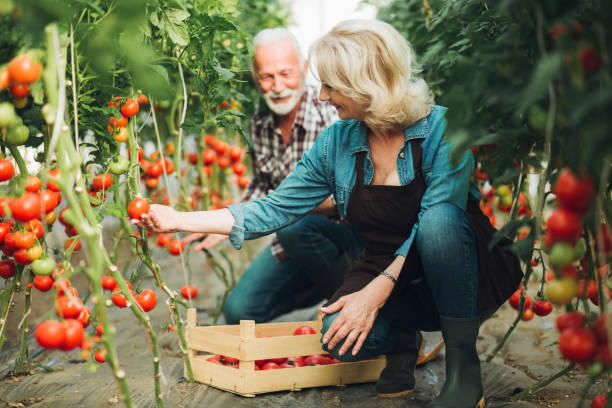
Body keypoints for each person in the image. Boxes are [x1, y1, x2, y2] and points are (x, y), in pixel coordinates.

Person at [134, 20, 522, 408]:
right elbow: (274, 207)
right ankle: (403, 338)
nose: (320, 96)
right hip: (389, 270)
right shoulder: (338, 141)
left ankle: (463, 373)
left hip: (465, 271)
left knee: (438, 222)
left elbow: (440, 213)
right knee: (337, 335)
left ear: (364, 82)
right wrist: (177, 219)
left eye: (331, 86)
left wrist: (376, 292)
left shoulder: (442, 127)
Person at [183, 28, 364, 324]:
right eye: (267, 77)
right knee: (240, 310)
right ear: (256, 77)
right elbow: (261, 185)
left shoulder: (334, 117)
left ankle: (355, 298)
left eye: (286, 74)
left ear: (304, 69)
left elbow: (351, 196)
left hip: (346, 238)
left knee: (296, 228)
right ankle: (322, 296)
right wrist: (226, 221)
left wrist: (283, 210)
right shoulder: (259, 122)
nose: (278, 86)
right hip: (292, 240)